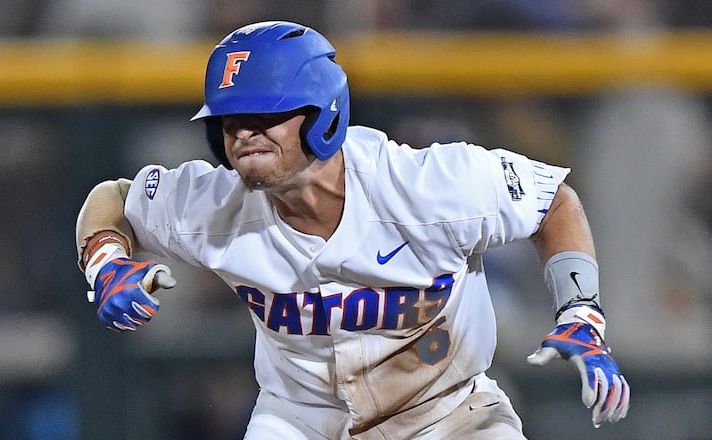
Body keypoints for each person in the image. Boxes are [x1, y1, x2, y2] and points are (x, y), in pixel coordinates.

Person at [75, 20, 629, 439]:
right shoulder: (212, 204)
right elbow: (113, 199)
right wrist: (105, 257)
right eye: (230, 119)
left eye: (266, 115)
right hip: (300, 420)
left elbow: (553, 202)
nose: (243, 133)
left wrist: (581, 311)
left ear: (324, 115)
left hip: (446, 412)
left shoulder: (424, 185)